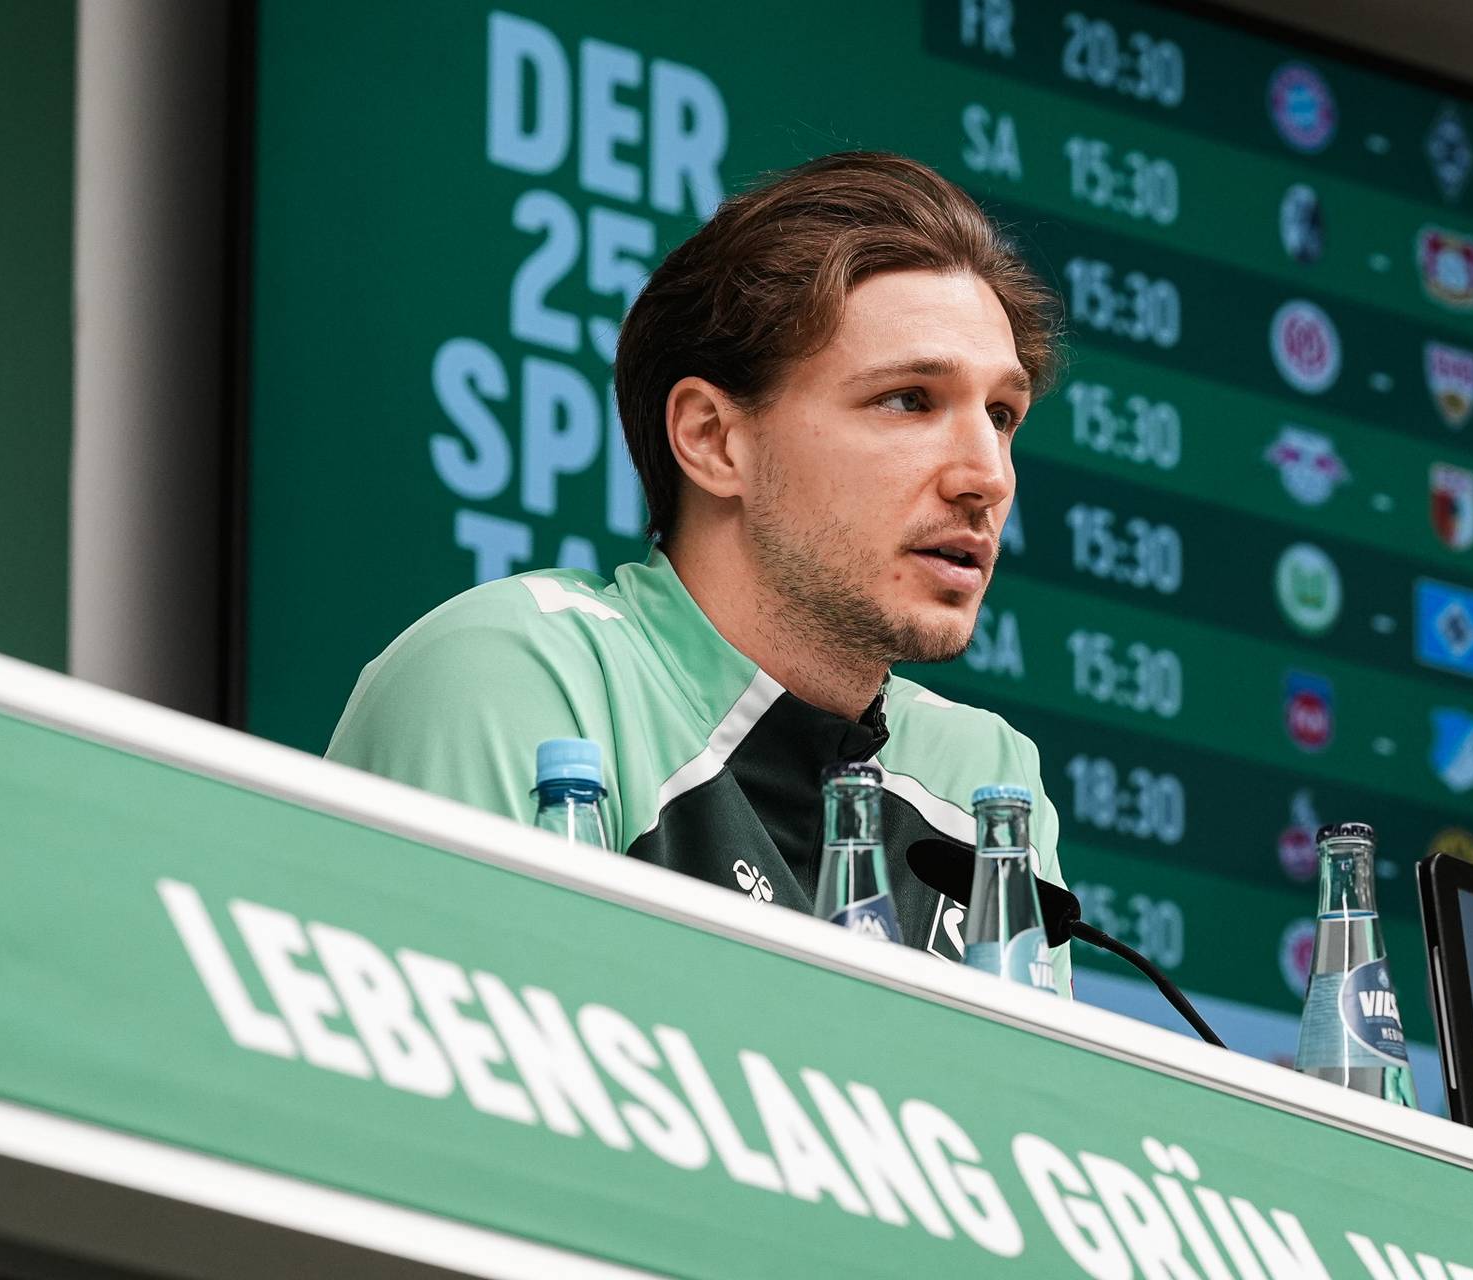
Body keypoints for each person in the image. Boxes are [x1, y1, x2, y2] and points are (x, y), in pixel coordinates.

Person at [328, 151, 1071, 990]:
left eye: (1003, 415)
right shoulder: (512, 678)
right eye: (908, 400)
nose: (988, 477)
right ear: (714, 439)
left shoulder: (988, 775)